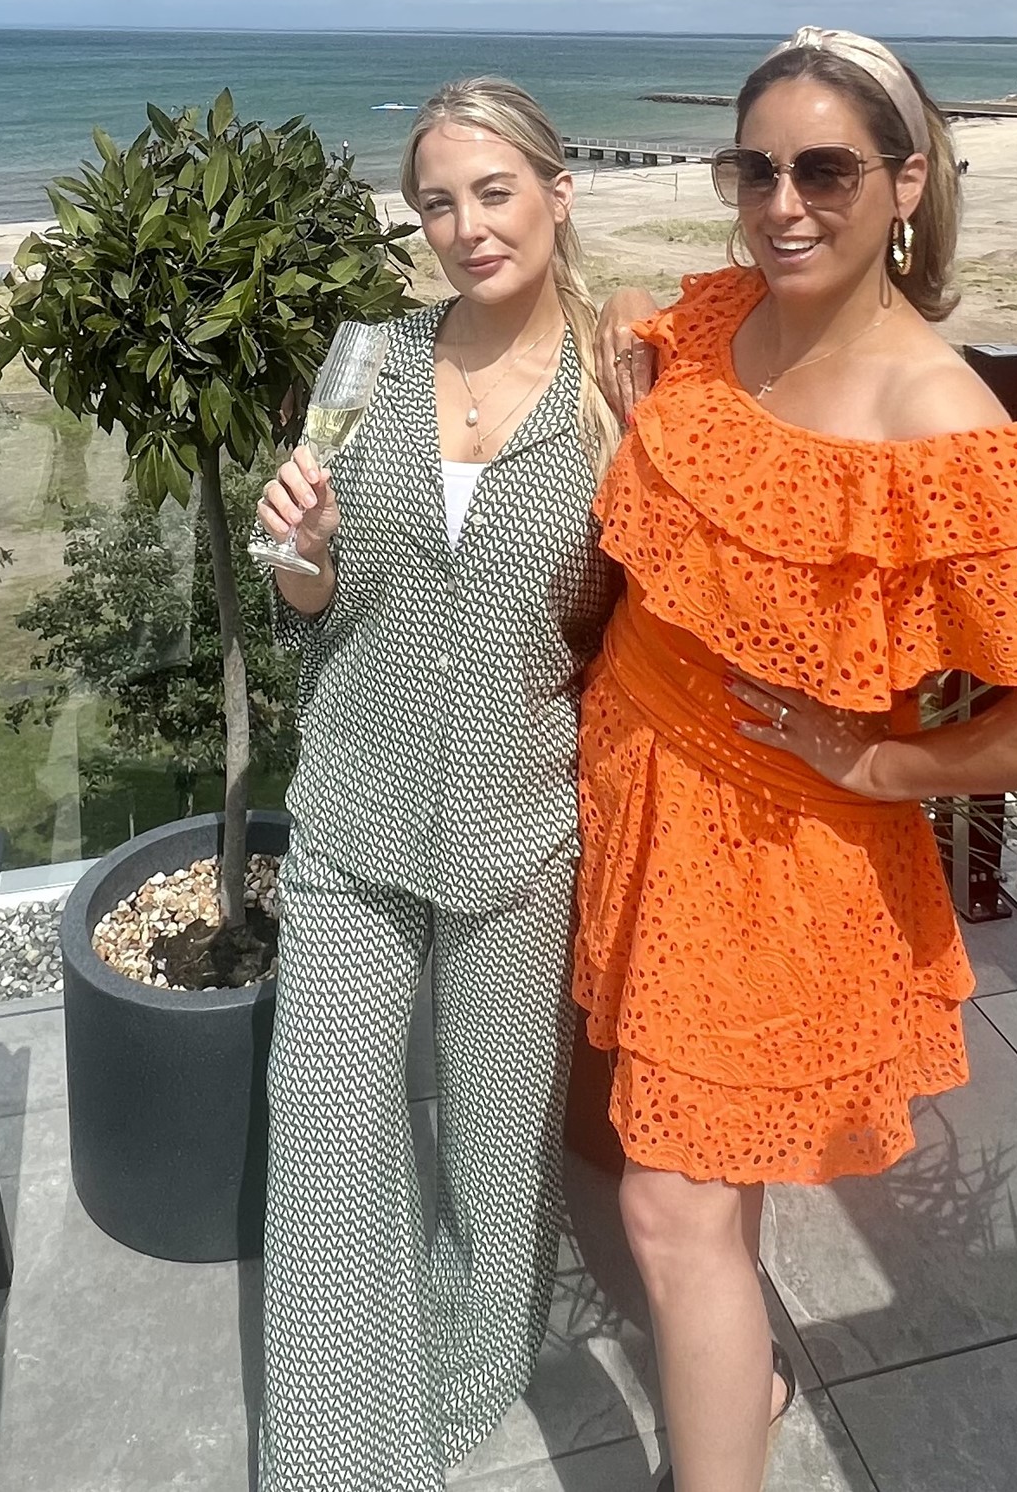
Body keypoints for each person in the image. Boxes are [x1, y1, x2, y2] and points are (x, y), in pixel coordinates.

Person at [583, 27, 1017, 1492]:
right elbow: (645, 327)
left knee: (665, 1209)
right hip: (643, 785)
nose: (783, 205)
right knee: (714, 1172)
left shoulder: (938, 422)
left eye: (826, 171)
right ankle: (747, 1385)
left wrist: (891, 771)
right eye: (756, 170)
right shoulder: (729, 314)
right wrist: (629, 349)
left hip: (776, 863)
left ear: (906, 184)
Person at [254, 76, 619, 1492]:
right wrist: (300, 550)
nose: (468, 228)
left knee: (495, 1137)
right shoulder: (371, 364)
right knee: (327, 1127)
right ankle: (336, 1443)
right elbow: (308, 596)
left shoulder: (619, 389)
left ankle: (473, 1367)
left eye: (494, 193)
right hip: (353, 807)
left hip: (523, 824)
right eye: (437, 205)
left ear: (557, 195)